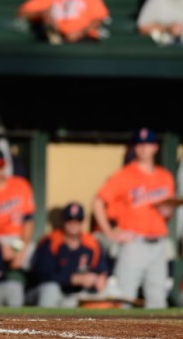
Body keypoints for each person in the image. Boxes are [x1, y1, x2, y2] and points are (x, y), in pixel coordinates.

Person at [91, 128, 176, 309]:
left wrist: (168, 212)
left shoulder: (165, 176)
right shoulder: (124, 175)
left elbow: (167, 214)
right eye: (139, 144)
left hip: (158, 243)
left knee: (158, 300)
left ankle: (157, 338)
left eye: (147, 144)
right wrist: (109, 233)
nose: (143, 149)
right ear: (134, 148)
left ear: (155, 147)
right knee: (125, 298)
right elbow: (98, 202)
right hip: (133, 242)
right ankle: (120, 337)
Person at [27, 202, 109, 308]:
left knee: (106, 293)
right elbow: (41, 275)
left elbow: (102, 270)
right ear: (63, 221)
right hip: (47, 294)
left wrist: (100, 279)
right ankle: (44, 324)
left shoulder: (91, 243)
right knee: (50, 289)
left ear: (82, 222)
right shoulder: (51, 241)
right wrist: (73, 279)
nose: (73, 223)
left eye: (78, 220)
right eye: (70, 220)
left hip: (77, 296)